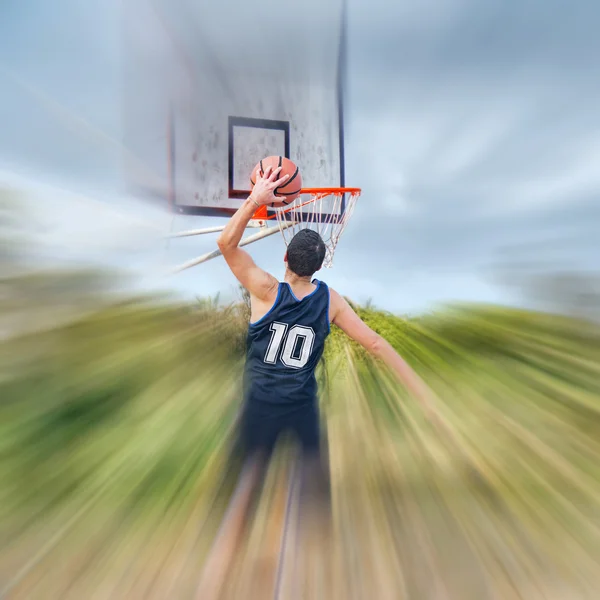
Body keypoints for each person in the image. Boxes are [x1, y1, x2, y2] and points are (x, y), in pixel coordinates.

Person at [196, 165, 444, 598]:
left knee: (241, 504)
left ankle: (210, 589)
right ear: (321, 262)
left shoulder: (264, 289)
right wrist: (421, 392)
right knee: (293, 505)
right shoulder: (330, 301)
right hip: (300, 412)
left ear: (287, 259)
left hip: (257, 408)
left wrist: (256, 197)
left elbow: (225, 243)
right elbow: (378, 345)